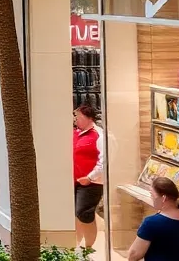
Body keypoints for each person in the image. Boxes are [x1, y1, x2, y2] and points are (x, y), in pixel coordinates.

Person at [127, 177, 179, 261]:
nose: (151, 198)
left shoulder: (151, 223)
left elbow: (133, 255)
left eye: (152, 195)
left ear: (163, 198)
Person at [73, 104, 105, 249]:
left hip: (91, 182)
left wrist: (90, 177)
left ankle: (88, 246)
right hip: (75, 180)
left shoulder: (98, 135)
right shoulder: (76, 133)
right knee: (77, 214)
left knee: (84, 213)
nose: (76, 120)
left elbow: (103, 161)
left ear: (88, 118)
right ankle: (76, 244)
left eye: (78, 117)